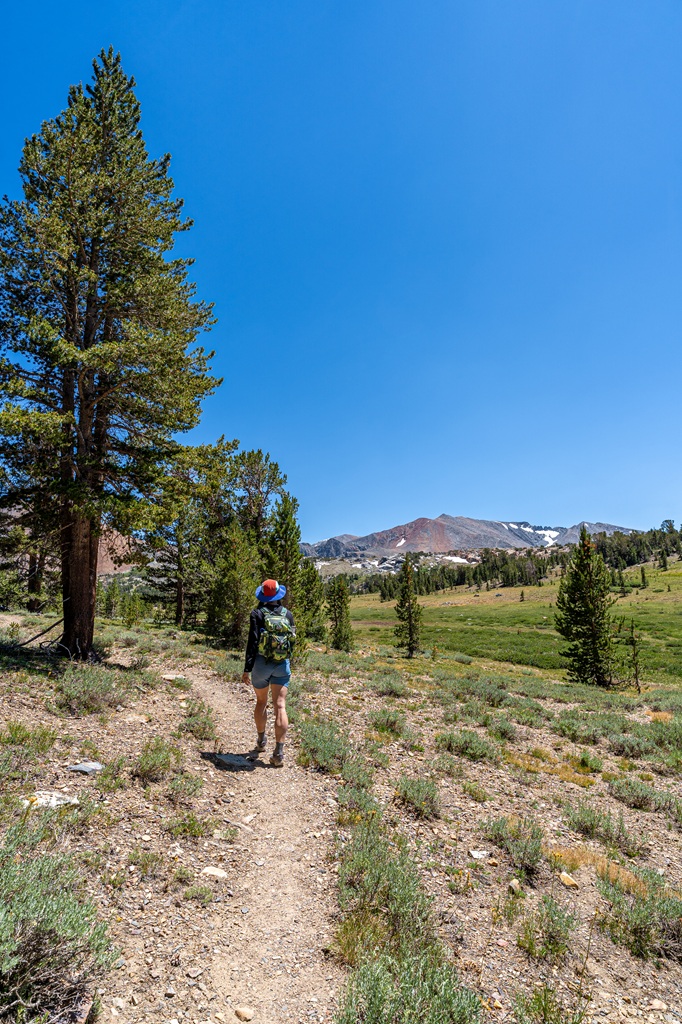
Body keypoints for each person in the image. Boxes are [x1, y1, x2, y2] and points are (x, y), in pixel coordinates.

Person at [241, 578, 295, 767]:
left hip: (261, 664)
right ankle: (279, 753)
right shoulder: (288, 614)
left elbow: (253, 642)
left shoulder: (257, 613)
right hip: (282, 664)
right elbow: (292, 641)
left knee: (261, 701)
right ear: (278, 594)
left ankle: (261, 741)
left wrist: (247, 669)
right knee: (280, 705)